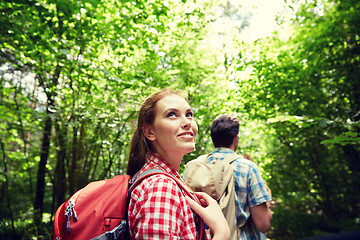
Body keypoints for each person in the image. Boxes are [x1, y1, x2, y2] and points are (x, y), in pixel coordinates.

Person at [126, 89, 230, 240]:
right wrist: (222, 232)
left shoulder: (166, 181)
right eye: (172, 114)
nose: (187, 122)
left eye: (189, 114)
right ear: (150, 132)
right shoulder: (160, 187)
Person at [206, 114, 272, 239]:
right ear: (236, 138)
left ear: (213, 138)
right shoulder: (247, 167)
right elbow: (263, 224)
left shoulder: (197, 166)